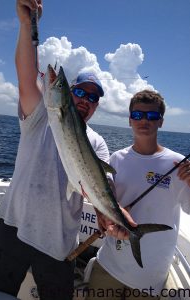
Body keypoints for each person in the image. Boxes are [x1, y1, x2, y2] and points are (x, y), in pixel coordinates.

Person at [0, 1, 120, 299]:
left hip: (59, 243)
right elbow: (26, 73)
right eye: (78, 91)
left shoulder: (98, 143)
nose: (85, 100)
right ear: (67, 95)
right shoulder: (40, 117)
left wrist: (111, 213)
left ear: (97, 106)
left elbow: (102, 186)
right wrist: (28, 25)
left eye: (93, 98)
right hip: (13, 228)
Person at [85, 90, 190, 300]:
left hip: (150, 276)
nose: (144, 120)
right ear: (129, 120)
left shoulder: (179, 165)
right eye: (137, 115)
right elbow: (105, 201)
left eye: (151, 116)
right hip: (109, 264)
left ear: (160, 121)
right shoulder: (116, 159)